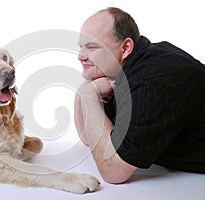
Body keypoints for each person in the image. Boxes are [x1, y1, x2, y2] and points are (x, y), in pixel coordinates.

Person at [74, 7, 205, 184]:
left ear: (126, 47)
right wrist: (87, 87)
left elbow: (113, 172)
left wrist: (88, 95)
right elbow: (88, 137)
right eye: (81, 47)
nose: (80, 56)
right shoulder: (121, 69)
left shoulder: (153, 82)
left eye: (92, 47)